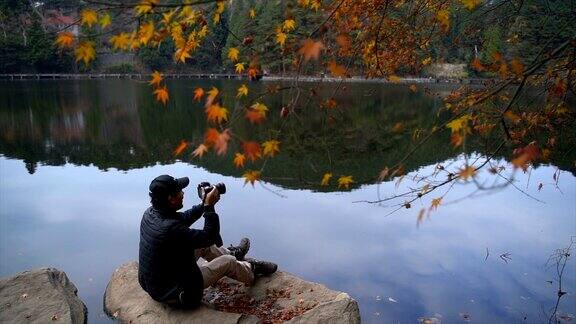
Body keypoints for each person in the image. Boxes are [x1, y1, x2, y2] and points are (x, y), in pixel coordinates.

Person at [138, 174, 277, 308]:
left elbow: (183, 219)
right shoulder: (170, 229)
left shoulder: (151, 213)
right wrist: (209, 207)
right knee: (228, 261)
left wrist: (203, 203)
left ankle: (234, 254)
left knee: (202, 245)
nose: (183, 193)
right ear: (170, 198)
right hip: (179, 293)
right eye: (180, 191)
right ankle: (250, 269)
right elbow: (210, 236)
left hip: (159, 283)